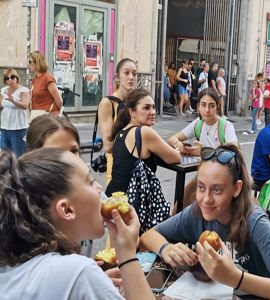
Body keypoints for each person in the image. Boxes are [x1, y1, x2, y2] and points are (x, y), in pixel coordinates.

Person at [140, 144, 270, 300]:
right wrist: (166, 248)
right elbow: (148, 235)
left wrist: (236, 278)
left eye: (217, 189)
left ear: (236, 189)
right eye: (201, 187)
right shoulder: (196, 213)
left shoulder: (255, 222)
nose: (206, 199)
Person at [0, 149, 155, 300]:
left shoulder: (11, 264)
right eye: (90, 182)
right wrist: (127, 254)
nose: (99, 188)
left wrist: (97, 285)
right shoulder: (79, 272)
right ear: (67, 210)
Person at [106, 88, 181, 196]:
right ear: (132, 112)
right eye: (146, 108)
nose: (153, 112)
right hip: (130, 205)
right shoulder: (144, 132)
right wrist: (177, 149)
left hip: (113, 198)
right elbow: (175, 157)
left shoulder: (121, 131)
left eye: (153, 107)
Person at [98, 58, 138, 183]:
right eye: (126, 73)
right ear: (117, 77)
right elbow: (108, 146)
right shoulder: (108, 103)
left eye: (134, 74)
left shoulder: (139, 102)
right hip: (117, 166)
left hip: (137, 165)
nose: (131, 77)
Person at [0, 69, 30, 156]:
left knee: (18, 154)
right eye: (7, 78)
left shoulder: (23, 90)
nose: (10, 80)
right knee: (5, 155)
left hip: (18, 127)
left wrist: (14, 101)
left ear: (17, 78)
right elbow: (2, 105)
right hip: (5, 127)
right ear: (5, 81)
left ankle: (19, 169)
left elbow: (25, 106)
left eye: (12, 77)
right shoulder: (3, 90)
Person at [28, 51, 63, 116]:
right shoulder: (35, 79)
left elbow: (59, 101)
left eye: (30, 62)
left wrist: (54, 113)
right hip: (36, 115)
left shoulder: (47, 78)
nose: (29, 64)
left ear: (37, 63)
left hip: (47, 116)